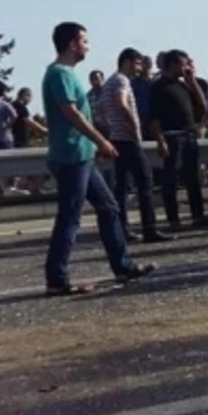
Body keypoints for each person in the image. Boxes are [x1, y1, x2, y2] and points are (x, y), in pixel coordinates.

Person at [41, 22, 155, 296]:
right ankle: (57, 279)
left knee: (109, 207)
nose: (88, 46)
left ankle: (123, 265)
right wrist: (100, 140)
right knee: (70, 217)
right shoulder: (59, 74)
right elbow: (72, 113)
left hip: (82, 155)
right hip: (71, 156)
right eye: (85, 41)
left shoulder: (66, 73)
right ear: (72, 44)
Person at [101, 47, 169, 242]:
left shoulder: (110, 81)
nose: (139, 68)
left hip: (116, 138)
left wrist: (110, 128)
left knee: (121, 187)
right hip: (128, 140)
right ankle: (150, 228)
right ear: (128, 61)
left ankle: (122, 229)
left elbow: (102, 108)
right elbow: (121, 103)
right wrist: (133, 128)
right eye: (137, 63)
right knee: (144, 183)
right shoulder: (122, 80)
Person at [149, 49, 208, 230]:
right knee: (171, 179)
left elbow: (203, 105)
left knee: (192, 176)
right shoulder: (158, 86)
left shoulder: (184, 85)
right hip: (171, 136)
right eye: (183, 64)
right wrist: (160, 139)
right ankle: (173, 219)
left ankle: (198, 215)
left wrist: (192, 82)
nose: (186, 67)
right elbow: (153, 117)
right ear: (172, 65)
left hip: (189, 134)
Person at [87, 70, 108, 137]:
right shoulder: (88, 96)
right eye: (92, 79)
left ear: (102, 79)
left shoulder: (108, 93)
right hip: (95, 127)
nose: (94, 82)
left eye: (96, 78)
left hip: (109, 126)